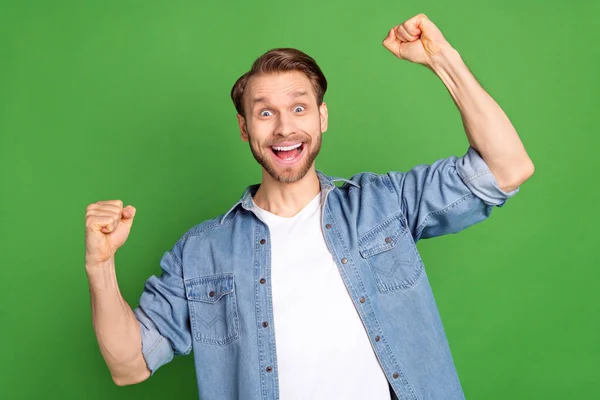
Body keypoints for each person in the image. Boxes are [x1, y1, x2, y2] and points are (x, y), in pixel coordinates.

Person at [84, 13, 534, 400]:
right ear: (244, 128)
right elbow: (130, 365)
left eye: (299, 109)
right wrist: (100, 266)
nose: (284, 128)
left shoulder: (383, 205)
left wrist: (443, 59)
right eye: (265, 113)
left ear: (321, 117)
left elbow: (507, 168)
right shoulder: (202, 252)